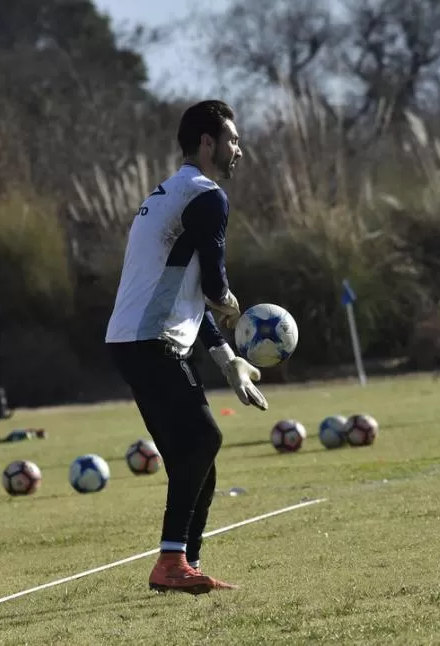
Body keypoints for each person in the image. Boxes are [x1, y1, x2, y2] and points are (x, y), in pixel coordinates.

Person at [105, 99, 268, 595]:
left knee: (197, 461)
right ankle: (171, 562)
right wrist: (233, 307)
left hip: (139, 341)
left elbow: (190, 296)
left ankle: (183, 566)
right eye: (232, 140)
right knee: (203, 440)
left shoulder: (171, 193)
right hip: (148, 342)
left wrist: (229, 361)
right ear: (207, 143)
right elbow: (215, 287)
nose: (239, 149)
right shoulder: (206, 195)